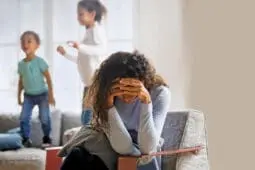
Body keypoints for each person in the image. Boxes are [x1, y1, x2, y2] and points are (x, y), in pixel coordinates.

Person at [59, 51, 171, 170]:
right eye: (122, 90)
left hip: (140, 153)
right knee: (77, 155)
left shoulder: (159, 93)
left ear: (143, 80)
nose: (127, 97)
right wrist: (109, 106)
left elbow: (148, 148)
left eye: (131, 88)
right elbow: (123, 147)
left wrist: (146, 102)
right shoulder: (108, 94)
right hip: (110, 146)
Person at [56, 0, 107, 125]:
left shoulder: (97, 30)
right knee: (85, 115)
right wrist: (65, 54)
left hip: (95, 82)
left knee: (88, 116)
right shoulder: (88, 32)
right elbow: (82, 60)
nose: (78, 17)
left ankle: (87, 140)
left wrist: (80, 47)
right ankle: (86, 139)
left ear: (92, 14)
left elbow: (101, 50)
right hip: (88, 83)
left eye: (81, 14)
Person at [18, 31, 55, 148]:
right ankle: (25, 138)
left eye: (29, 41)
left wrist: (51, 95)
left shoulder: (40, 62)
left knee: (44, 118)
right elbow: (21, 81)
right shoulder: (21, 64)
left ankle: (47, 137)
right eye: (23, 41)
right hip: (28, 96)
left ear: (37, 45)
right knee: (23, 118)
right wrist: (18, 96)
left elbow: (48, 78)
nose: (25, 44)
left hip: (42, 95)